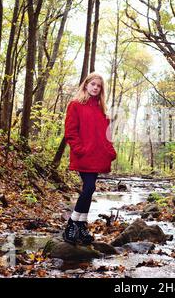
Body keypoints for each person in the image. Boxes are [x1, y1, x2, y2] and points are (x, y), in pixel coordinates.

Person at [63, 72, 117, 245]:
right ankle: (72, 224)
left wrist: (111, 151)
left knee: (90, 189)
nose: (95, 87)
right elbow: (70, 132)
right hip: (84, 155)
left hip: (98, 156)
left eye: (98, 86)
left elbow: (106, 136)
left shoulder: (102, 111)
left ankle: (81, 225)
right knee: (88, 188)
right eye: (92, 84)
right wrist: (79, 149)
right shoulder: (75, 105)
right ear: (86, 85)